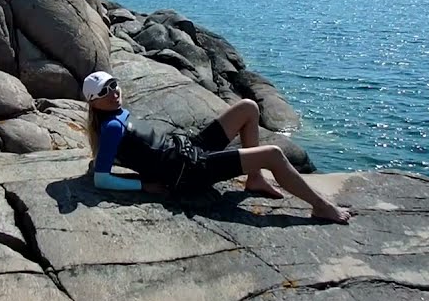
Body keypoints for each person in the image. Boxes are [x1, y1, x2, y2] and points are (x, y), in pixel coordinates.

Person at [82, 70, 351, 224]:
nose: (114, 92)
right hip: (189, 171)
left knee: (248, 108)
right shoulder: (111, 127)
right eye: (105, 91)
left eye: (114, 84)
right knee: (273, 154)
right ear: (94, 102)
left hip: (189, 148)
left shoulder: (115, 117)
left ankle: (254, 179)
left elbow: (131, 152)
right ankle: (320, 206)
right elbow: (102, 179)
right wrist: (143, 186)